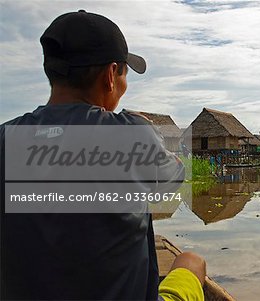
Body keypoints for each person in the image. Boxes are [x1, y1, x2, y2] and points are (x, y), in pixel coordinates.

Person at [0, 10, 205, 301]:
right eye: (124, 75)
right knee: (192, 262)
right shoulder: (131, 134)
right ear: (111, 76)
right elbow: (173, 180)